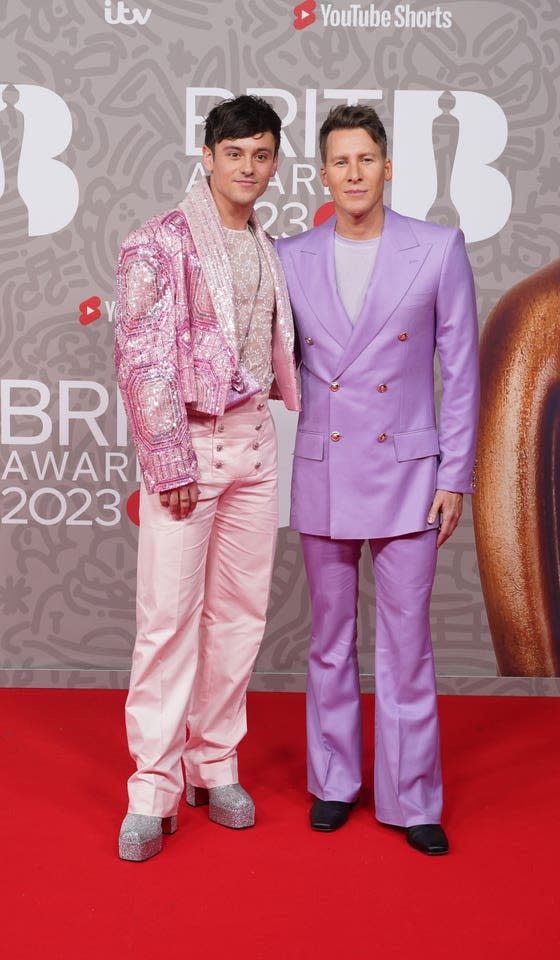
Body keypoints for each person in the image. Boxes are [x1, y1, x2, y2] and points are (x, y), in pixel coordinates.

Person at [276, 105, 479, 855]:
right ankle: (334, 781)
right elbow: (272, 362)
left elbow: (461, 372)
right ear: (323, 173)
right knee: (329, 639)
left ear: (387, 167)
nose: (354, 173)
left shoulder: (436, 249)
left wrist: (454, 474)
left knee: (406, 642)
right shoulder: (290, 256)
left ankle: (412, 795)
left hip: (409, 474)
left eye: (367, 159)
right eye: (341, 161)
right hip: (325, 470)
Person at [114, 95, 299, 861]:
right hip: (188, 448)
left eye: (261, 155)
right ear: (207, 154)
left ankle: (214, 765)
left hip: (256, 446)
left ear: (273, 163)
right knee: (166, 622)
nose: (248, 168)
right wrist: (167, 458)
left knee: (239, 617)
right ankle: (152, 790)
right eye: (235, 154)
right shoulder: (158, 243)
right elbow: (141, 356)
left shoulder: (268, 246)